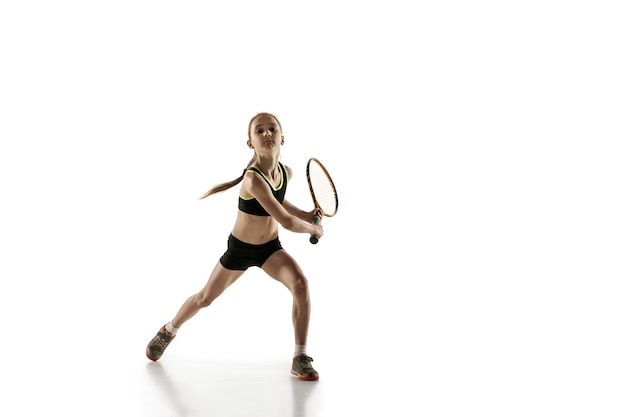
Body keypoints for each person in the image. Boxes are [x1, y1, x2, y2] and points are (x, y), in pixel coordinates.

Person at [146, 112, 324, 381]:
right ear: (250, 142)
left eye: (272, 129)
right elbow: (286, 221)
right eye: (259, 130)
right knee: (204, 298)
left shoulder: (286, 172)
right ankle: (169, 329)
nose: (267, 134)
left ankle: (300, 357)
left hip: (270, 250)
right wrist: (313, 228)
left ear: (282, 138)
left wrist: (308, 215)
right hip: (240, 249)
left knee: (300, 284)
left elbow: (279, 203)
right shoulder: (252, 179)